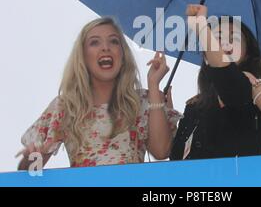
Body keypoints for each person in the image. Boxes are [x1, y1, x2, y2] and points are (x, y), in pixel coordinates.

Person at [17, 17, 181, 169]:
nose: (105, 48)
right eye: (95, 42)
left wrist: (153, 85)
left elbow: (161, 152)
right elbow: (31, 172)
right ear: (82, 56)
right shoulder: (66, 106)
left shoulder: (140, 101)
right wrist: (33, 157)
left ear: (122, 55)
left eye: (114, 41)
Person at [169, 4, 261, 160]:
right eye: (218, 38)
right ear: (206, 55)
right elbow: (176, 158)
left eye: (233, 38)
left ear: (247, 54)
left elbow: (229, 80)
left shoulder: (253, 92)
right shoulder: (194, 106)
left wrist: (201, 27)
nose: (225, 44)